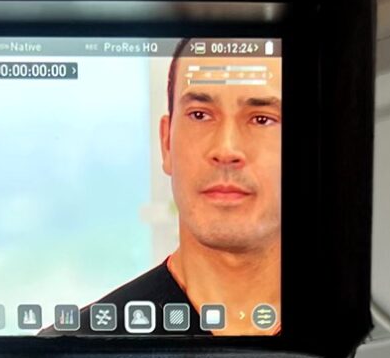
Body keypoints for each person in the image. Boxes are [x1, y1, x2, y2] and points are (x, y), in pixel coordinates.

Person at [89, 40, 282, 338]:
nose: (226, 149)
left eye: (261, 119)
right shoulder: (78, 354)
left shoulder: (352, 338)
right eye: (200, 115)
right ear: (166, 142)